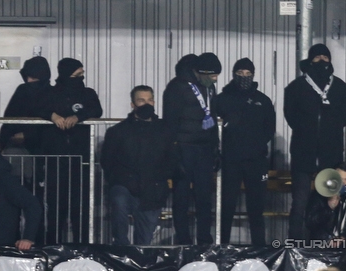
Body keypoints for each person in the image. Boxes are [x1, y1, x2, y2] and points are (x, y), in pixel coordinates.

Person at [284, 44, 346, 240]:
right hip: (302, 156)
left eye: (325, 56)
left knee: (329, 204)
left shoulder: (339, 87)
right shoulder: (296, 87)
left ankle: (326, 245)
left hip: (330, 157)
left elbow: (345, 116)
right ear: (310, 60)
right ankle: (295, 246)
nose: (322, 60)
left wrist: (330, 127)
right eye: (317, 57)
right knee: (300, 205)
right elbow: (291, 117)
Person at [101, 85, 180, 246]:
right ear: (133, 104)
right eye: (141, 100)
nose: (146, 104)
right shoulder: (118, 132)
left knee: (144, 242)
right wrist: (120, 179)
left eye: (149, 100)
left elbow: (173, 158)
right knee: (119, 201)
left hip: (153, 189)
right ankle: (121, 251)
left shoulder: (165, 130)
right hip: (126, 185)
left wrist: (160, 178)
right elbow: (107, 161)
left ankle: (139, 263)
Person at [36, 57, 103, 244]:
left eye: (81, 75)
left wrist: (78, 117)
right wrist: (52, 115)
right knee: (56, 206)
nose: (80, 78)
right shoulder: (49, 93)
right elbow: (37, 107)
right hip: (55, 159)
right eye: (76, 75)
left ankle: (81, 246)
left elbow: (96, 109)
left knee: (80, 207)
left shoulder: (87, 93)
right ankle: (53, 245)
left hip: (80, 158)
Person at [216, 57, 276, 246]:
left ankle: (259, 249)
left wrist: (256, 145)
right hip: (229, 161)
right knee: (226, 207)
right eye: (240, 74)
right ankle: (223, 247)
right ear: (234, 75)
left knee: (256, 209)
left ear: (253, 75)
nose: (244, 77)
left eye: (248, 74)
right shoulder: (222, 99)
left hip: (256, 162)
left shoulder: (263, 101)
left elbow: (269, 129)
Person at [163, 53, 221, 245]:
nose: (215, 79)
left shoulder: (208, 88)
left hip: (204, 149)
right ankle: (183, 239)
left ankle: (205, 239)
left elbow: (211, 115)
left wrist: (215, 147)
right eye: (212, 75)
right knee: (181, 197)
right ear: (200, 72)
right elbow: (170, 122)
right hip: (183, 148)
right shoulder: (176, 88)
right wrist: (173, 152)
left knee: (204, 197)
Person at [0, 56, 53, 156]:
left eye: (33, 77)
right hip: (42, 146)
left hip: (22, 144)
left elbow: (10, 117)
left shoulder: (24, 90)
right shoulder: (52, 92)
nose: (29, 81)